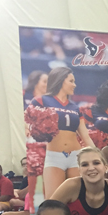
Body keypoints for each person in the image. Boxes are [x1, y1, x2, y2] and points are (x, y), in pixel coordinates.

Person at [31, 67, 96, 198]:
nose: (74, 85)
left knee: (78, 198)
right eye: (71, 81)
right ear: (61, 81)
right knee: (53, 199)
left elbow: (86, 137)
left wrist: (98, 156)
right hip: (53, 157)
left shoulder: (75, 107)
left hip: (76, 157)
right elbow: (28, 125)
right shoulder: (40, 101)